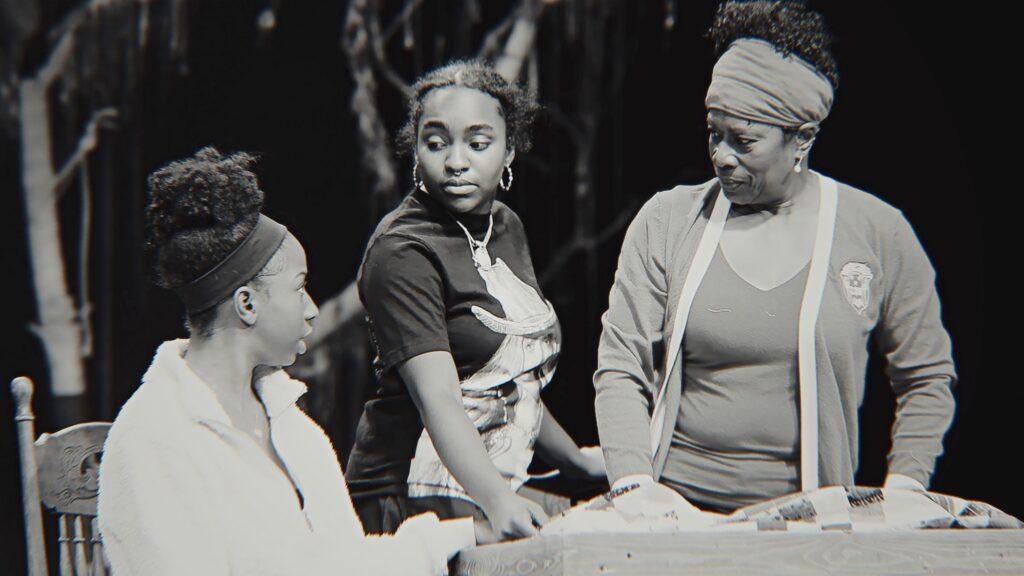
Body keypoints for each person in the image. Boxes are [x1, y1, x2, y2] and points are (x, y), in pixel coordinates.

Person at [594, 1, 956, 514]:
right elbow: (621, 364)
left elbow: (926, 376)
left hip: (809, 522)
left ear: (801, 139)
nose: (721, 154)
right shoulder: (668, 221)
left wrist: (904, 489)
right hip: (673, 514)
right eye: (713, 133)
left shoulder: (878, 233)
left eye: (743, 141)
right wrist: (633, 486)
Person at [97, 147, 476, 575]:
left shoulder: (295, 430)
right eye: (299, 288)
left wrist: (463, 536)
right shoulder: (154, 436)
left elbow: (347, 562)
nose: (312, 309)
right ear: (247, 303)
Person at [346, 60, 605, 541]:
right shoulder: (403, 250)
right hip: (411, 498)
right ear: (416, 150)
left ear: (510, 151)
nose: (456, 161)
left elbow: (507, 382)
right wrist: (498, 500)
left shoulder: (504, 226)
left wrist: (576, 462)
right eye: (437, 142)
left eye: (478, 143)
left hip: (486, 486)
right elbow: (438, 397)